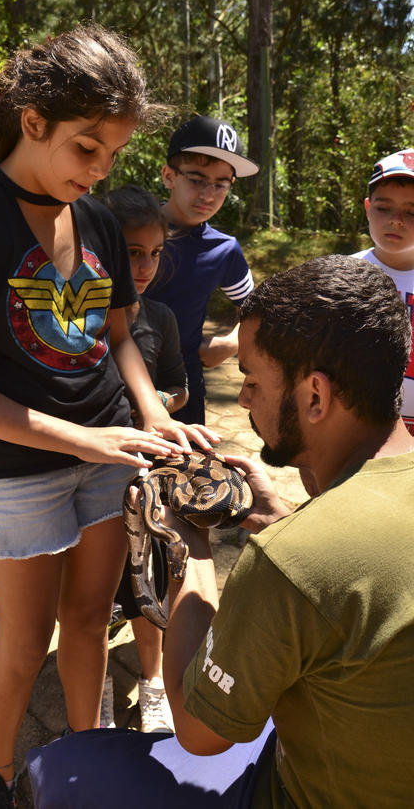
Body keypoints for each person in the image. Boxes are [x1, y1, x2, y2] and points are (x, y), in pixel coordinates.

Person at [0, 25, 220, 808]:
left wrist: (153, 413)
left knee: (89, 621)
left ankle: (87, 762)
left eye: (113, 154)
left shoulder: (96, 221)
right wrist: (83, 438)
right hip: (18, 469)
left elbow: (118, 336)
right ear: (32, 121)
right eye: (87, 147)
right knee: (25, 645)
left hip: (107, 453)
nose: (99, 170)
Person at [27, 254, 414, 808]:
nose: (246, 398)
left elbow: (198, 731)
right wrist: (280, 518)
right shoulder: (315, 539)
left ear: (315, 396)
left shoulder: (291, 562)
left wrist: (190, 546)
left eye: (251, 380)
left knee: (65, 765)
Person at [102, 184, 188, 734]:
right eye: (133, 252)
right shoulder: (76, 318)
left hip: (145, 479)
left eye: (155, 253)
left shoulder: (160, 317)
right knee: (95, 594)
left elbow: (179, 387)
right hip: (89, 476)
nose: (146, 266)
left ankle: (153, 681)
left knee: (147, 585)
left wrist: (155, 405)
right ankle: (97, 685)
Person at [146, 116, 259, 424]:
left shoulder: (224, 249)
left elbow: (256, 309)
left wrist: (232, 342)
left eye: (221, 184)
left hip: (182, 386)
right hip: (116, 376)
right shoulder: (131, 230)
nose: (209, 195)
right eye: (196, 180)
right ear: (169, 176)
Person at [353, 148, 414, 434]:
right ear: (368, 208)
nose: (396, 220)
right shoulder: (341, 274)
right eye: (383, 208)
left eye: (412, 211)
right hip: (357, 434)